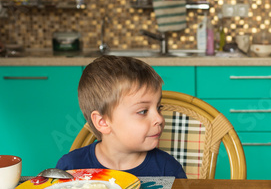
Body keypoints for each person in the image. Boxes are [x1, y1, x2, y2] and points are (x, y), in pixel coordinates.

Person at [56, 55, 187, 178]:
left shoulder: (168, 169)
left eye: (159, 108)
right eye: (143, 111)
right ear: (103, 122)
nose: (159, 119)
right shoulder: (71, 168)